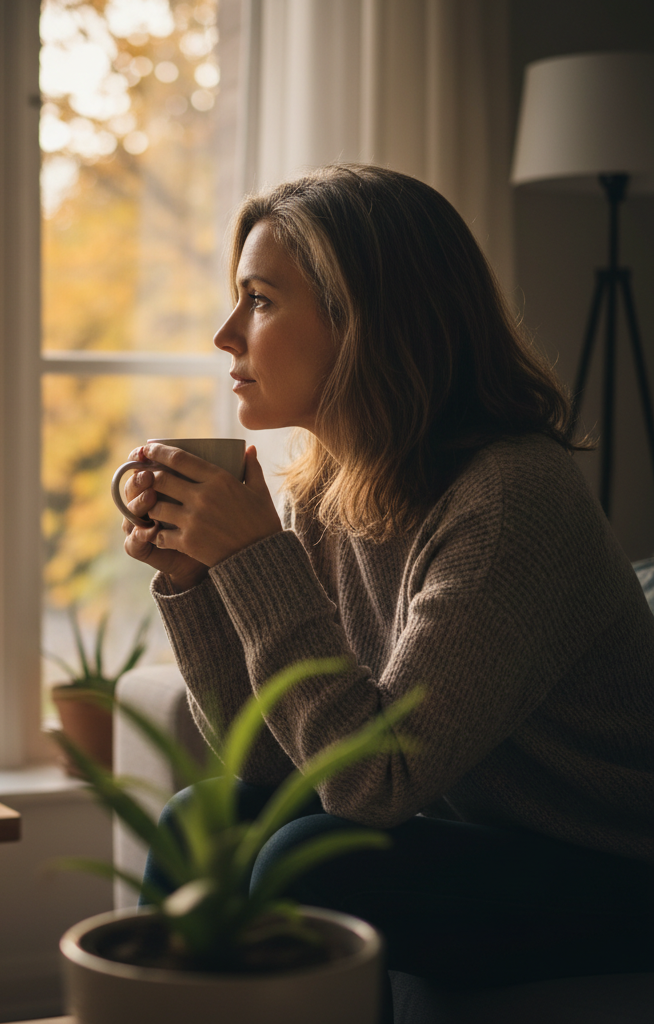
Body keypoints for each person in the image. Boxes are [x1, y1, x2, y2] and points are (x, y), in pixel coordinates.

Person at [118, 165, 654, 1002]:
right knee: (204, 818)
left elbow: (376, 784)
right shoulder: (335, 489)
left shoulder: (511, 498)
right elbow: (272, 762)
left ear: (364, 321)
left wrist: (259, 561)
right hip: (469, 836)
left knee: (309, 864)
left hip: (613, 864)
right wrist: (200, 582)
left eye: (259, 300)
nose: (227, 334)